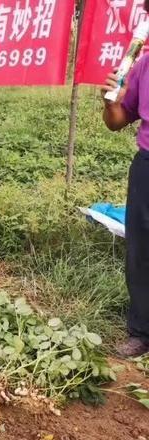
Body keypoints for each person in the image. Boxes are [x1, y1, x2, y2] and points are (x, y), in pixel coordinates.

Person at [102, 4, 149, 358]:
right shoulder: (142, 65)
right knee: (141, 252)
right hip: (146, 165)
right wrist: (111, 102)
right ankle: (141, 331)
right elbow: (118, 120)